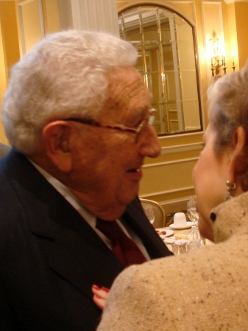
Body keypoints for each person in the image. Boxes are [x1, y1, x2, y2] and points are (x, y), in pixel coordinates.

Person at [0, 30, 173, 331]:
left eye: (150, 120)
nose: (153, 147)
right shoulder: (9, 237)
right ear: (62, 143)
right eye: (135, 125)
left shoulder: (108, 188)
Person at [96, 64, 248, 331]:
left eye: (204, 146)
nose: (154, 148)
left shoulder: (153, 295)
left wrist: (137, 314)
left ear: (236, 148)